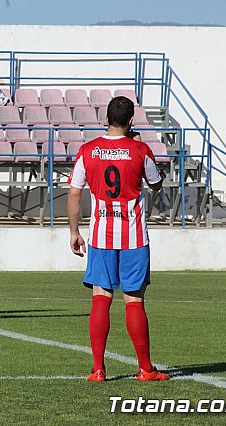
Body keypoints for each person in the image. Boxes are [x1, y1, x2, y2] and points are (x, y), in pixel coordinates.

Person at [67, 96, 168, 382]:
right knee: (134, 300)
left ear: (106, 118)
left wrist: (74, 232)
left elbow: (74, 193)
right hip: (134, 236)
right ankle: (146, 369)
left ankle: (98, 369)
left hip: (101, 235)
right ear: (131, 120)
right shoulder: (140, 150)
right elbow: (157, 183)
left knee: (101, 297)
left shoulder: (88, 150)